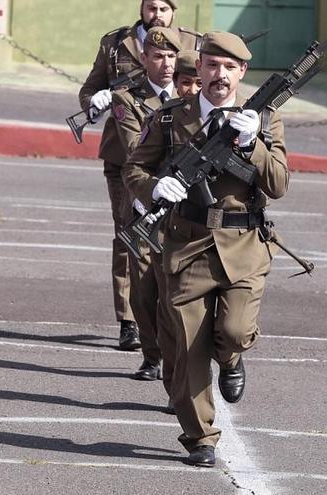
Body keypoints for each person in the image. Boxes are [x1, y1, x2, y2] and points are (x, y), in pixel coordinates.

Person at [122, 31, 288, 467]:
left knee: (232, 332)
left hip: (244, 247)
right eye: (212, 66)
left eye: (229, 68)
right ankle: (201, 437)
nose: (219, 75)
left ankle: (232, 360)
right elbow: (134, 168)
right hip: (186, 245)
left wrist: (252, 146)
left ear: (242, 73)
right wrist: (156, 185)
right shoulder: (169, 118)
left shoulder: (265, 121)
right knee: (187, 349)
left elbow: (279, 184)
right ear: (200, 69)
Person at [78, 0, 200, 351]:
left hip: (182, 159)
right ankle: (130, 320)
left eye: (164, 7)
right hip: (124, 158)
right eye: (151, 6)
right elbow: (90, 90)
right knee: (129, 235)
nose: (157, 13)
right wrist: (96, 101)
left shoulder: (194, 42)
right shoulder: (117, 43)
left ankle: (171, 313)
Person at [111, 27, 181, 387]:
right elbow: (135, 147)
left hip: (182, 205)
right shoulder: (127, 98)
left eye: (171, 56)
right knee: (143, 288)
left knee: (173, 290)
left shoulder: (190, 93)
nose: (166, 64)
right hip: (143, 201)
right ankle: (152, 355)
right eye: (158, 56)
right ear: (144, 59)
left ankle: (173, 363)